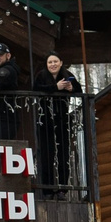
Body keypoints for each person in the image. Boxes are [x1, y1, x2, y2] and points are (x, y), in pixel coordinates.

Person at [32, 53, 82, 189]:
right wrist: (56, 87)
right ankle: (48, 187)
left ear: (61, 62)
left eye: (55, 61)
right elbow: (35, 89)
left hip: (62, 120)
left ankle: (63, 187)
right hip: (45, 120)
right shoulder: (41, 76)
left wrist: (72, 89)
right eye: (50, 62)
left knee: (63, 154)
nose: (53, 64)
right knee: (47, 153)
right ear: (46, 65)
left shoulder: (67, 75)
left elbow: (79, 89)